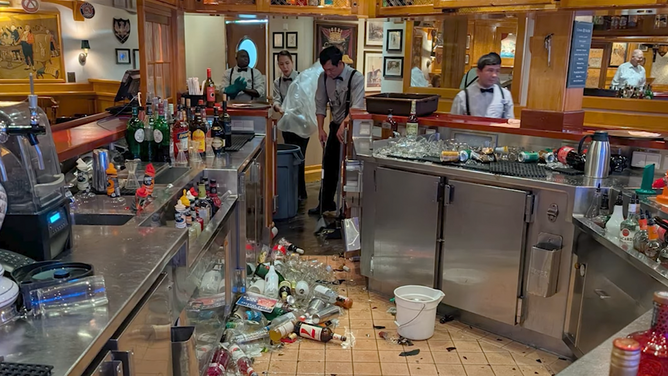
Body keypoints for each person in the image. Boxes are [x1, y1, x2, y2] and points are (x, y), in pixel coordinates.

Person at [308, 46, 364, 215]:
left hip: (353, 127)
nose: (328, 73)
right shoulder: (323, 78)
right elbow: (320, 104)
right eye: (325, 70)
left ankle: (347, 208)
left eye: (331, 69)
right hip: (335, 125)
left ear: (340, 63)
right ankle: (325, 203)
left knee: (350, 167)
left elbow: (357, 106)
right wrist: (320, 129)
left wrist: (344, 125)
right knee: (329, 164)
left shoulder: (356, 77)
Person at [272, 50, 308, 201]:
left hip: (302, 125)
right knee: (290, 159)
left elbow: (307, 100)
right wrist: (278, 107)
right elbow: (276, 100)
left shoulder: (302, 79)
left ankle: (301, 192)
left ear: (292, 63)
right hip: (287, 125)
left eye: (287, 63)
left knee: (301, 158)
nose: (285, 67)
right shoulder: (277, 82)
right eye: (281, 64)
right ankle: (292, 192)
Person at [451, 52, 514, 119]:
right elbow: (454, 123)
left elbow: (510, 123)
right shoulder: (463, 96)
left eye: (497, 71)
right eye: (490, 70)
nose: (494, 75)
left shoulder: (505, 95)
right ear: (478, 72)